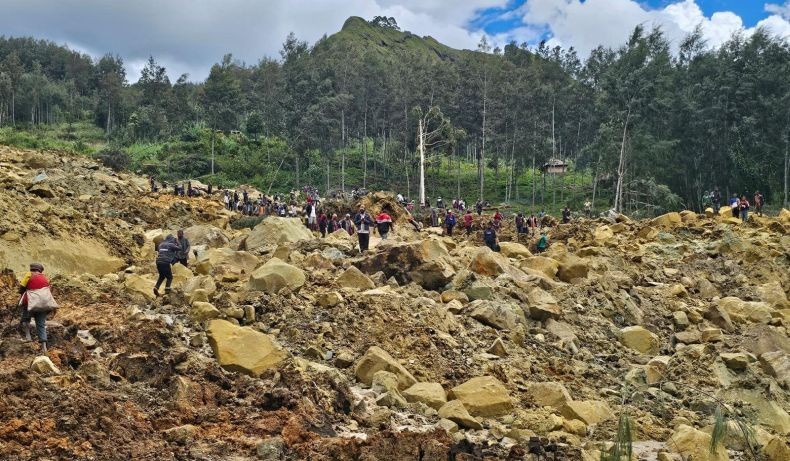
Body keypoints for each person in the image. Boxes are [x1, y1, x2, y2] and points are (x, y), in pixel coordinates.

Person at [18, 263, 53, 352]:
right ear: (40, 270)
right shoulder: (44, 278)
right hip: (43, 305)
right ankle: (44, 348)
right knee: (41, 324)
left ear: (31, 269)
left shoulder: (29, 275)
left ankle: (28, 338)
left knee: (25, 320)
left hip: (30, 303)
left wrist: (23, 291)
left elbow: (21, 288)